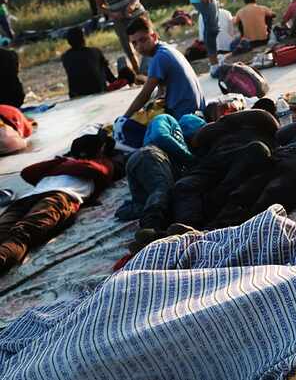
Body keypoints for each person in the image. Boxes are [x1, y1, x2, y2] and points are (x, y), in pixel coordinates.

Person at [0, 138, 120, 274]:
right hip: (29, 197)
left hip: (61, 197)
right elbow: (27, 172)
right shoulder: (66, 163)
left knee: (22, 233)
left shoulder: (102, 163)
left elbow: (96, 171)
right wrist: (61, 162)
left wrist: (63, 163)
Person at [123, 15, 205, 120]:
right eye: (134, 43)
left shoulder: (160, 57)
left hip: (185, 118)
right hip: (196, 112)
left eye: (143, 40)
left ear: (154, 37)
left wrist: (124, 118)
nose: (139, 46)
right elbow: (160, 91)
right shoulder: (166, 49)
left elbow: (144, 95)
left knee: (130, 126)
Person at [89, 0, 144, 73]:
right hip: (118, 18)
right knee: (128, 46)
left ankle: (154, 67)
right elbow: (100, 6)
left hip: (135, 12)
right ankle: (139, 72)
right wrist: (112, 13)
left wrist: (132, 4)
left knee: (146, 38)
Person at [61, 27, 116, 98]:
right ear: (83, 39)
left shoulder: (65, 57)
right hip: (98, 90)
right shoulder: (95, 52)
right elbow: (106, 72)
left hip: (76, 93)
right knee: (102, 65)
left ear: (69, 42)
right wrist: (114, 82)